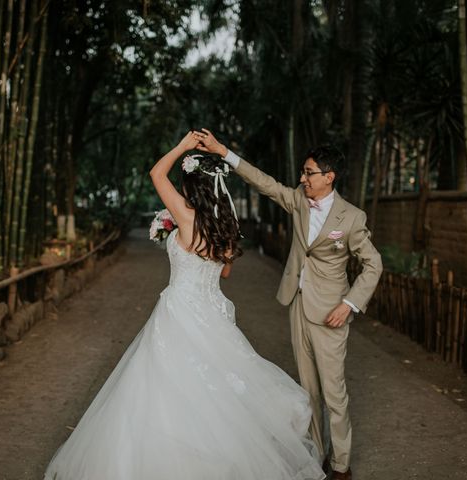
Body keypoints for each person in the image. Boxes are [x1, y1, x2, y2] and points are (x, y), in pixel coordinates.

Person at [43, 131, 325, 480]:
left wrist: (180, 147)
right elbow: (224, 273)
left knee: (164, 390)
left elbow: (155, 174)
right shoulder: (227, 227)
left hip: (178, 311)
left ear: (191, 185)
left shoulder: (186, 216)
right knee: (216, 392)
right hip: (212, 314)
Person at [195, 129, 383, 480]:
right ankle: (318, 457)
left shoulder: (352, 218)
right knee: (307, 390)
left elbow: (374, 264)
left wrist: (350, 304)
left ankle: (341, 466)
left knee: (334, 393)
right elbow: (265, 183)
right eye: (302, 172)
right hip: (298, 305)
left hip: (332, 313)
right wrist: (223, 152)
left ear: (329, 176)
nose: (302, 178)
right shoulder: (298, 199)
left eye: (309, 172)